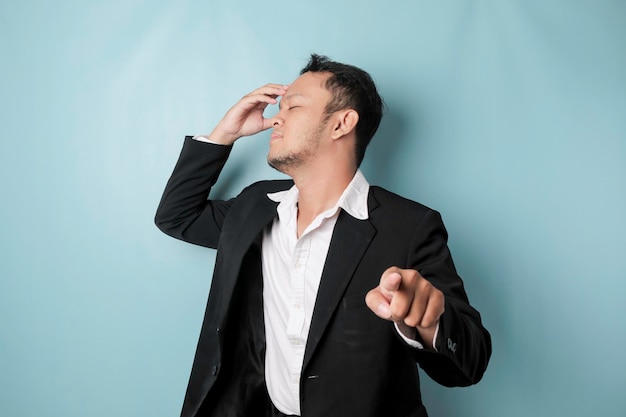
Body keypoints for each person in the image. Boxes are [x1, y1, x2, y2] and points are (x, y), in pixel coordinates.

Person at [155, 54, 491, 417]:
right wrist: (225, 133)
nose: (277, 118)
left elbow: (469, 364)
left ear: (342, 123)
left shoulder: (410, 226)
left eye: (294, 106)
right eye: (279, 108)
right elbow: (177, 216)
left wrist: (428, 323)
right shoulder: (255, 205)